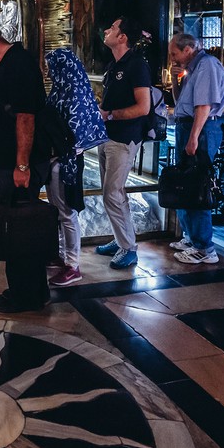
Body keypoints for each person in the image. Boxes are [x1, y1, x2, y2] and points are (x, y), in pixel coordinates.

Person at [0, 22, 53, 312]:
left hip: (22, 164)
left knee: (20, 229)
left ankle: (23, 296)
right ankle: (36, 291)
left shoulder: (18, 65)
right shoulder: (12, 62)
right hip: (17, 162)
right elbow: (3, 97)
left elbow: (25, 117)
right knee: (22, 225)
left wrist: (22, 165)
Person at [91, 17, 152, 272]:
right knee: (113, 194)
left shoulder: (136, 65)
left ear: (123, 37)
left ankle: (129, 248)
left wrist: (112, 114)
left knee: (112, 193)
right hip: (108, 135)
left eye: (113, 28)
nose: (107, 30)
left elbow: (143, 106)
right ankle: (120, 241)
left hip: (124, 137)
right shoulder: (112, 64)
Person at [43, 46, 106, 287]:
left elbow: (79, 133)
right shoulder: (64, 89)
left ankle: (73, 264)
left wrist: (61, 150)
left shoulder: (75, 94)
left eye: (52, 69)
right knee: (59, 211)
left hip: (65, 162)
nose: (49, 74)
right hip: (57, 160)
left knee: (67, 214)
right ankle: (62, 256)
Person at [168, 32, 224, 264]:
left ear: (188, 49)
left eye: (175, 53)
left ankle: (205, 248)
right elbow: (181, 101)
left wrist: (193, 138)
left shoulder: (207, 66)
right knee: (186, 183)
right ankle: (193, 237)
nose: (172, 58)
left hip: (200, 130)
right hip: (189, 127)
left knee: (197, 185)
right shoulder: (192, 69)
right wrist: (175, 80)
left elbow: (203, 105)